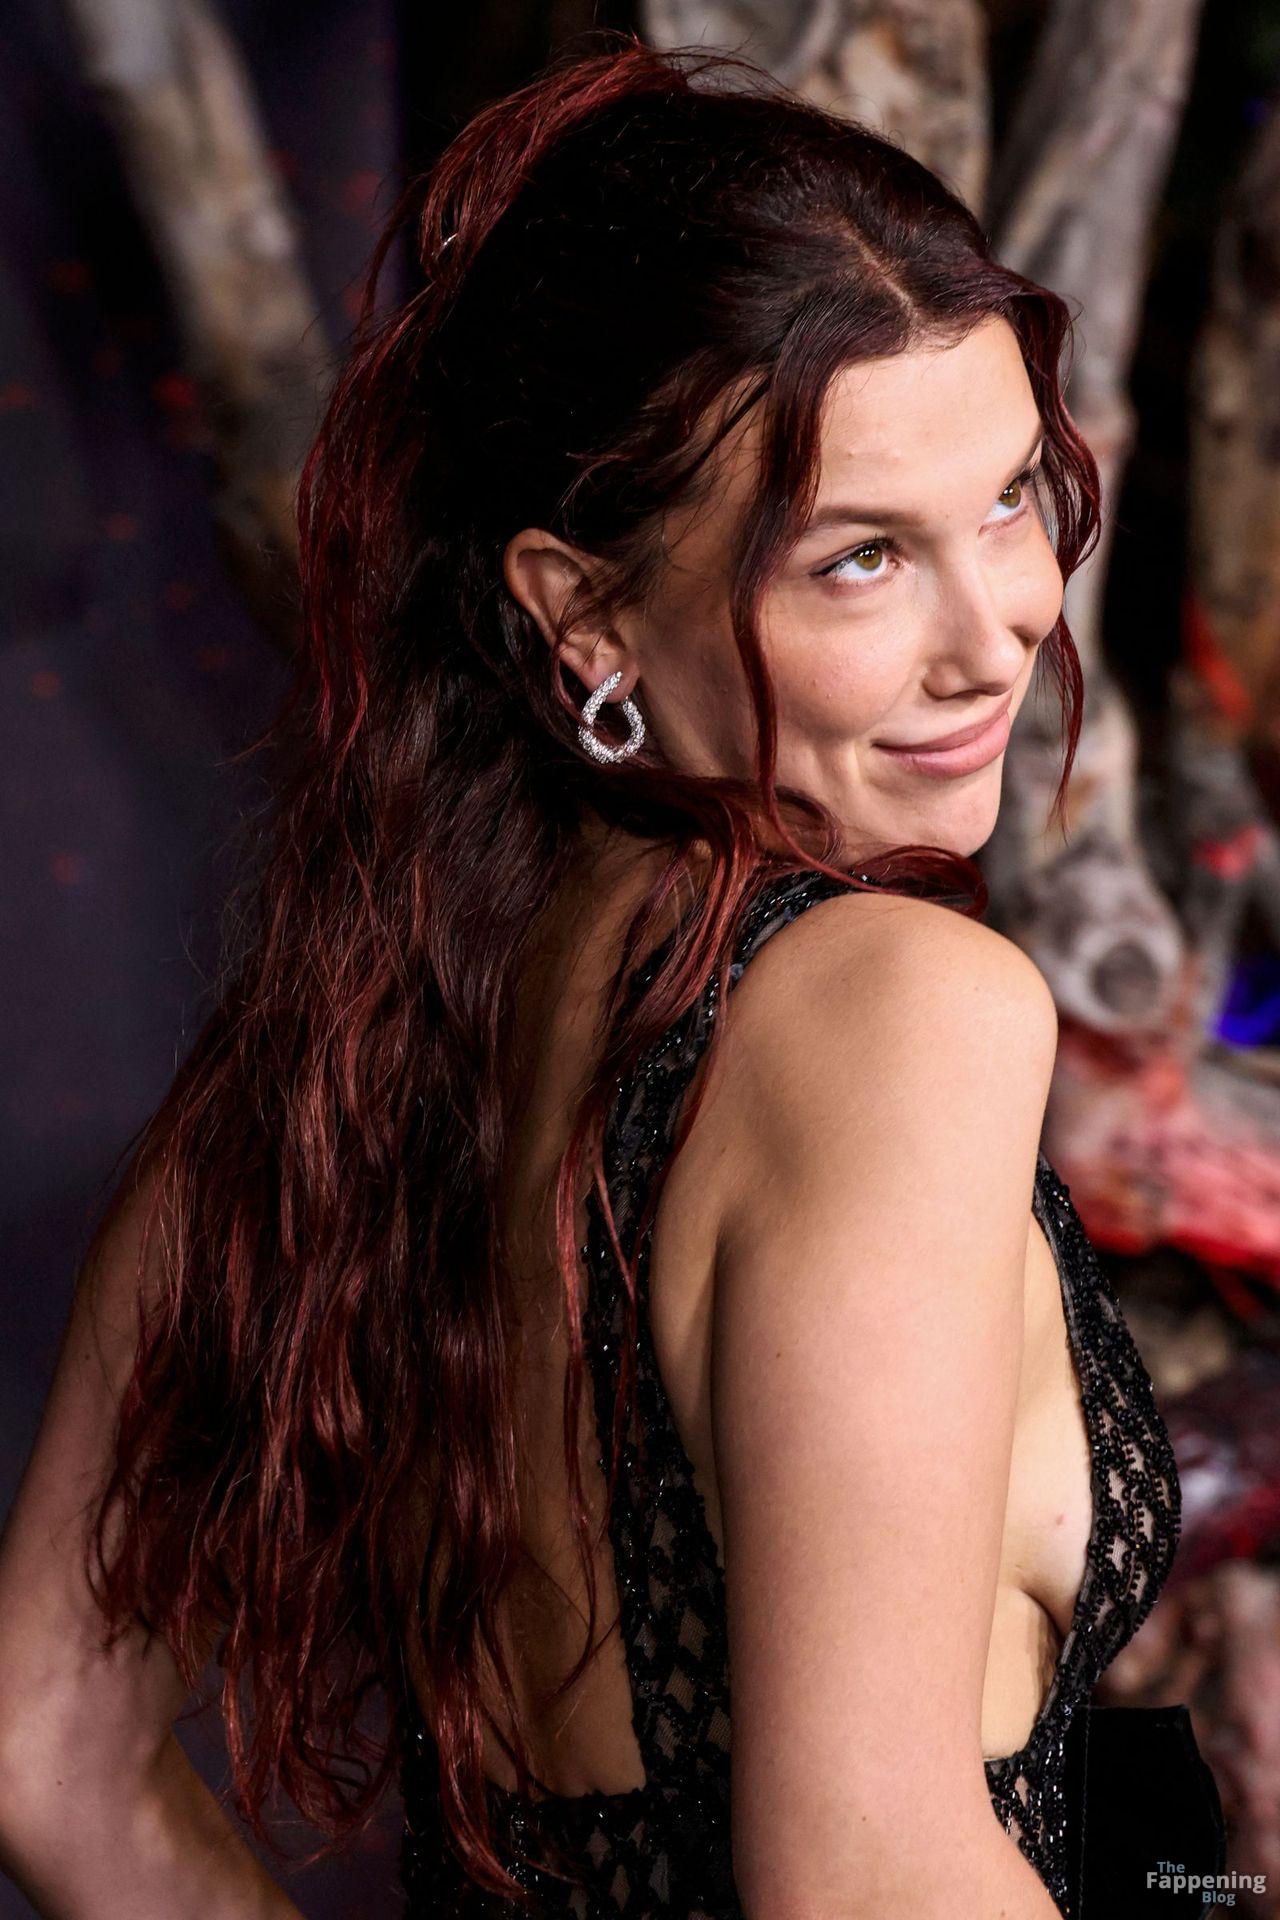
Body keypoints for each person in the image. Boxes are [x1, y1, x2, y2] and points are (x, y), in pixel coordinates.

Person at [0, 36, 1193, 1920]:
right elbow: (864, 1871)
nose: (998, 634)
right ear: (582, 609)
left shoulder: (330, 1064)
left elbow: (38, 1743)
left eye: (1010, 498)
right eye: (861, 558)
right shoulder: (900, 1011)